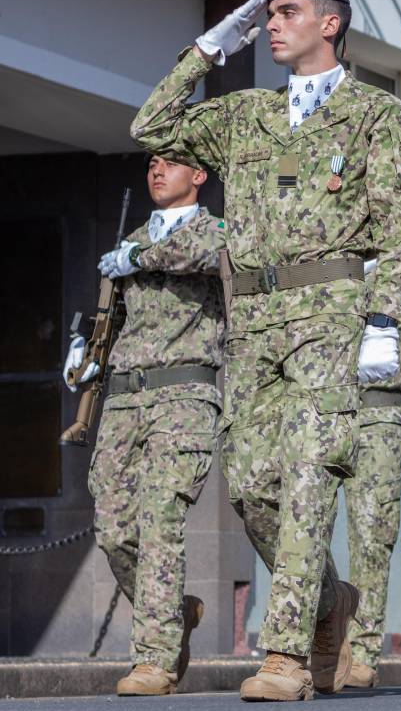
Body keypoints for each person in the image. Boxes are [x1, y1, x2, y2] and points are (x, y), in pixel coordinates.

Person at [129, 0, 401, 699]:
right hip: (254, 322)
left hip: (332, 314)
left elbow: (397, 231)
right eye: (268, 15)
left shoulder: (374, 115)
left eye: (288, 12)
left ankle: (284, 655)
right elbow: (151, 128)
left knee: (307, 477)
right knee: (253, 487)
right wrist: (208, 49)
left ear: (331, 23)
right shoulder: (247, 115)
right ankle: (330, 604)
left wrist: (383, 322)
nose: (273, 25)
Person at [71, 155, 222, 695]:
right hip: (124, 401)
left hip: (183, 395)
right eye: (152, 164)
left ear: (199, 176)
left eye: (172, 163)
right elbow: (113, 318)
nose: (157, 172)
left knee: (161, 520)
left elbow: (200, 255)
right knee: (114, 530)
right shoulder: (131, 240)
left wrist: (136, 258)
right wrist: (86, 354)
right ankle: (173, 612)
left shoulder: (215, 233)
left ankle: (155, 658)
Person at [345, 266, 401, 688]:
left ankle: (361, 650)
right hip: (318, 406)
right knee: (298, 527)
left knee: (370, 533)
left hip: (377, 412)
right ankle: (321, 632)